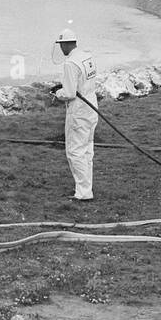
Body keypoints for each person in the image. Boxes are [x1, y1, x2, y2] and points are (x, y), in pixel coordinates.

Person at [52, 29, 99, 202]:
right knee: (87, 149)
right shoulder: (87, 57)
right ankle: (86, 187)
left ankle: (84, 192)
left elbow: (70, 93)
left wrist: (58, 94)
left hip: (79, 110)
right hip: (92, 105)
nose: (61, 48)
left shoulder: (70, 63)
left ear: (65, 44)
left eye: (61, 45)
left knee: (75, 151)